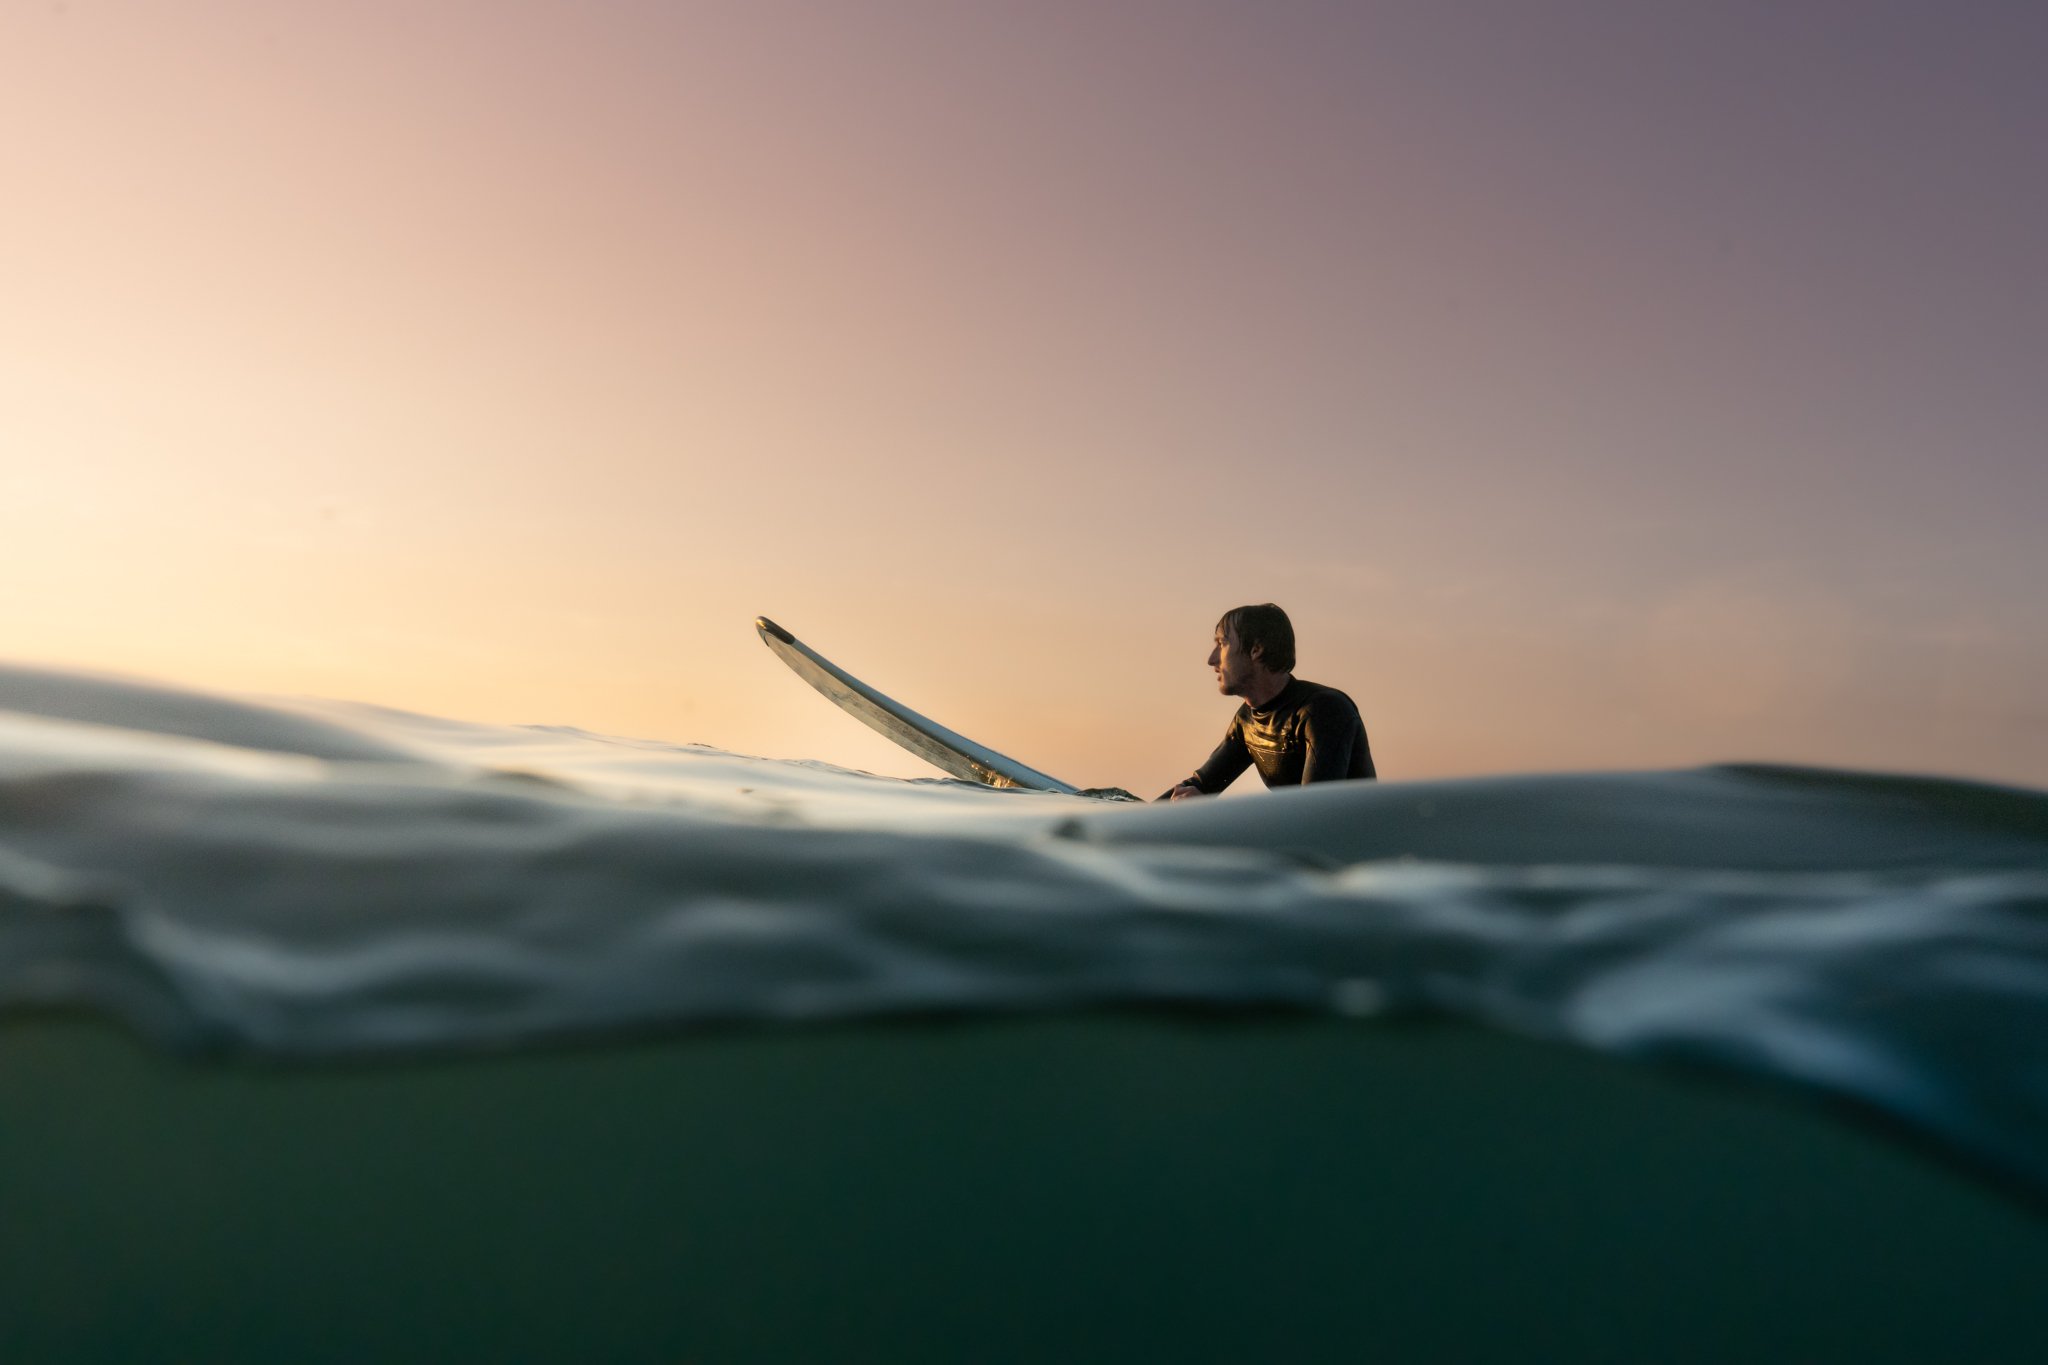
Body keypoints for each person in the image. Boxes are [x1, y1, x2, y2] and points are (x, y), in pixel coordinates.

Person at [1162, 603, 1375, 801]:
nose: (1211, 659)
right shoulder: (1247, 719)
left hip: (1355, 840)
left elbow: (1315, 809)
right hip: (1297, 836)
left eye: (1222, 643)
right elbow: (1200, 787)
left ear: (1256, 650)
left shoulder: (1323, 711)